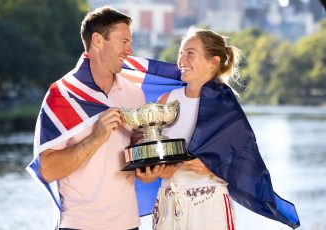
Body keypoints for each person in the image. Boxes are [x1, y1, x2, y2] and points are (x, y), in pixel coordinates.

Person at [137, 27, 300, 230]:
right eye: (180, 53)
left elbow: (245, 160)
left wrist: (212, 167)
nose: (181, 60)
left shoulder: (225, 105)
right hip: (169, 203)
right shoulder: (166, 101)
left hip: (209, 204)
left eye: (190, 53)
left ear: (212, 62)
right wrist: (150, 172)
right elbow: (154, 156)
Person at [29, 6, 160, 230]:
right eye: (124, 41)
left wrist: (146, 168)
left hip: (127, 223)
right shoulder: (62, 95)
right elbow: (48, 170)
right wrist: (95, 138)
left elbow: (135, 154)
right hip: (79, 224)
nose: (130, 50)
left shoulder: (134, 93)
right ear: (98, 40)